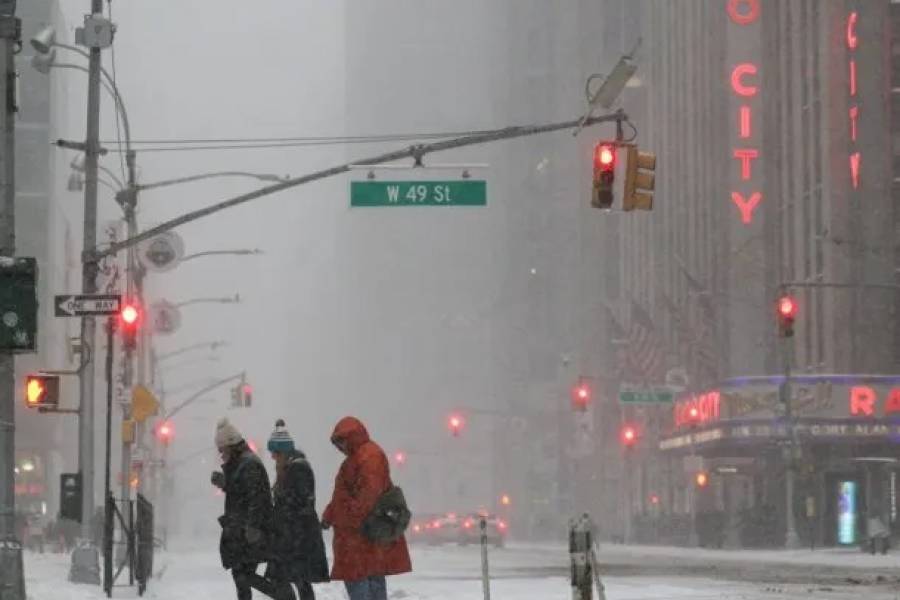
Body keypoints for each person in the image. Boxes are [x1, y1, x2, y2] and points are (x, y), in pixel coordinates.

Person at [322, 417, 411, 600]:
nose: (340, 448)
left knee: (362, 583)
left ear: (350, 437)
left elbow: (367, 498)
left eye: (341, 442)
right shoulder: (359, 458)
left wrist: (344, 520)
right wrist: (329, 516)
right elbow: (343, 496)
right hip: (360, 538)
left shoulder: (369, 457)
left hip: (359, 538)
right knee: (370, 579)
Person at [210, 418, 294, 600]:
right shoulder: (243, 463)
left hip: (250, 532)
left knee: (243, 575)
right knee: (241, 575)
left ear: (231, 445)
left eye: (222, 449)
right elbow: (242, 491)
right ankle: (282, 594)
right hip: (245, 530)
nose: (221, 454)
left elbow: (256, 498)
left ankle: (283, 595)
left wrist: (252, 527)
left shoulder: (248, 464)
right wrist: (226, 483)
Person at [265, 420, 329, 600]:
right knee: (295, 580)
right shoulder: (291, 467)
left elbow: (301, 502)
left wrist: (281, 509)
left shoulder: (298, 468)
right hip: (293, 536)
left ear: (283, 452)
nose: (273, 457)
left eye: (275, 453)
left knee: (298, 580)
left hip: (299, 537)